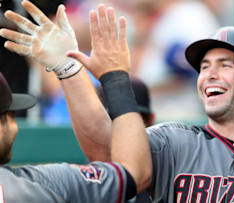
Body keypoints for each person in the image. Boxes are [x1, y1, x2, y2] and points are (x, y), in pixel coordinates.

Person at [1, 1, 234, 202]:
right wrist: (69, 69)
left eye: (224, 65)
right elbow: (109, 158)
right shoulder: (174, 142)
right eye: (204, 67)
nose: (208, 74)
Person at [0, 1, 151, 202]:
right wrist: (113, 76)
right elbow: (134, 174)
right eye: (8, 115)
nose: (14, 122)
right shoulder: (37, 186)